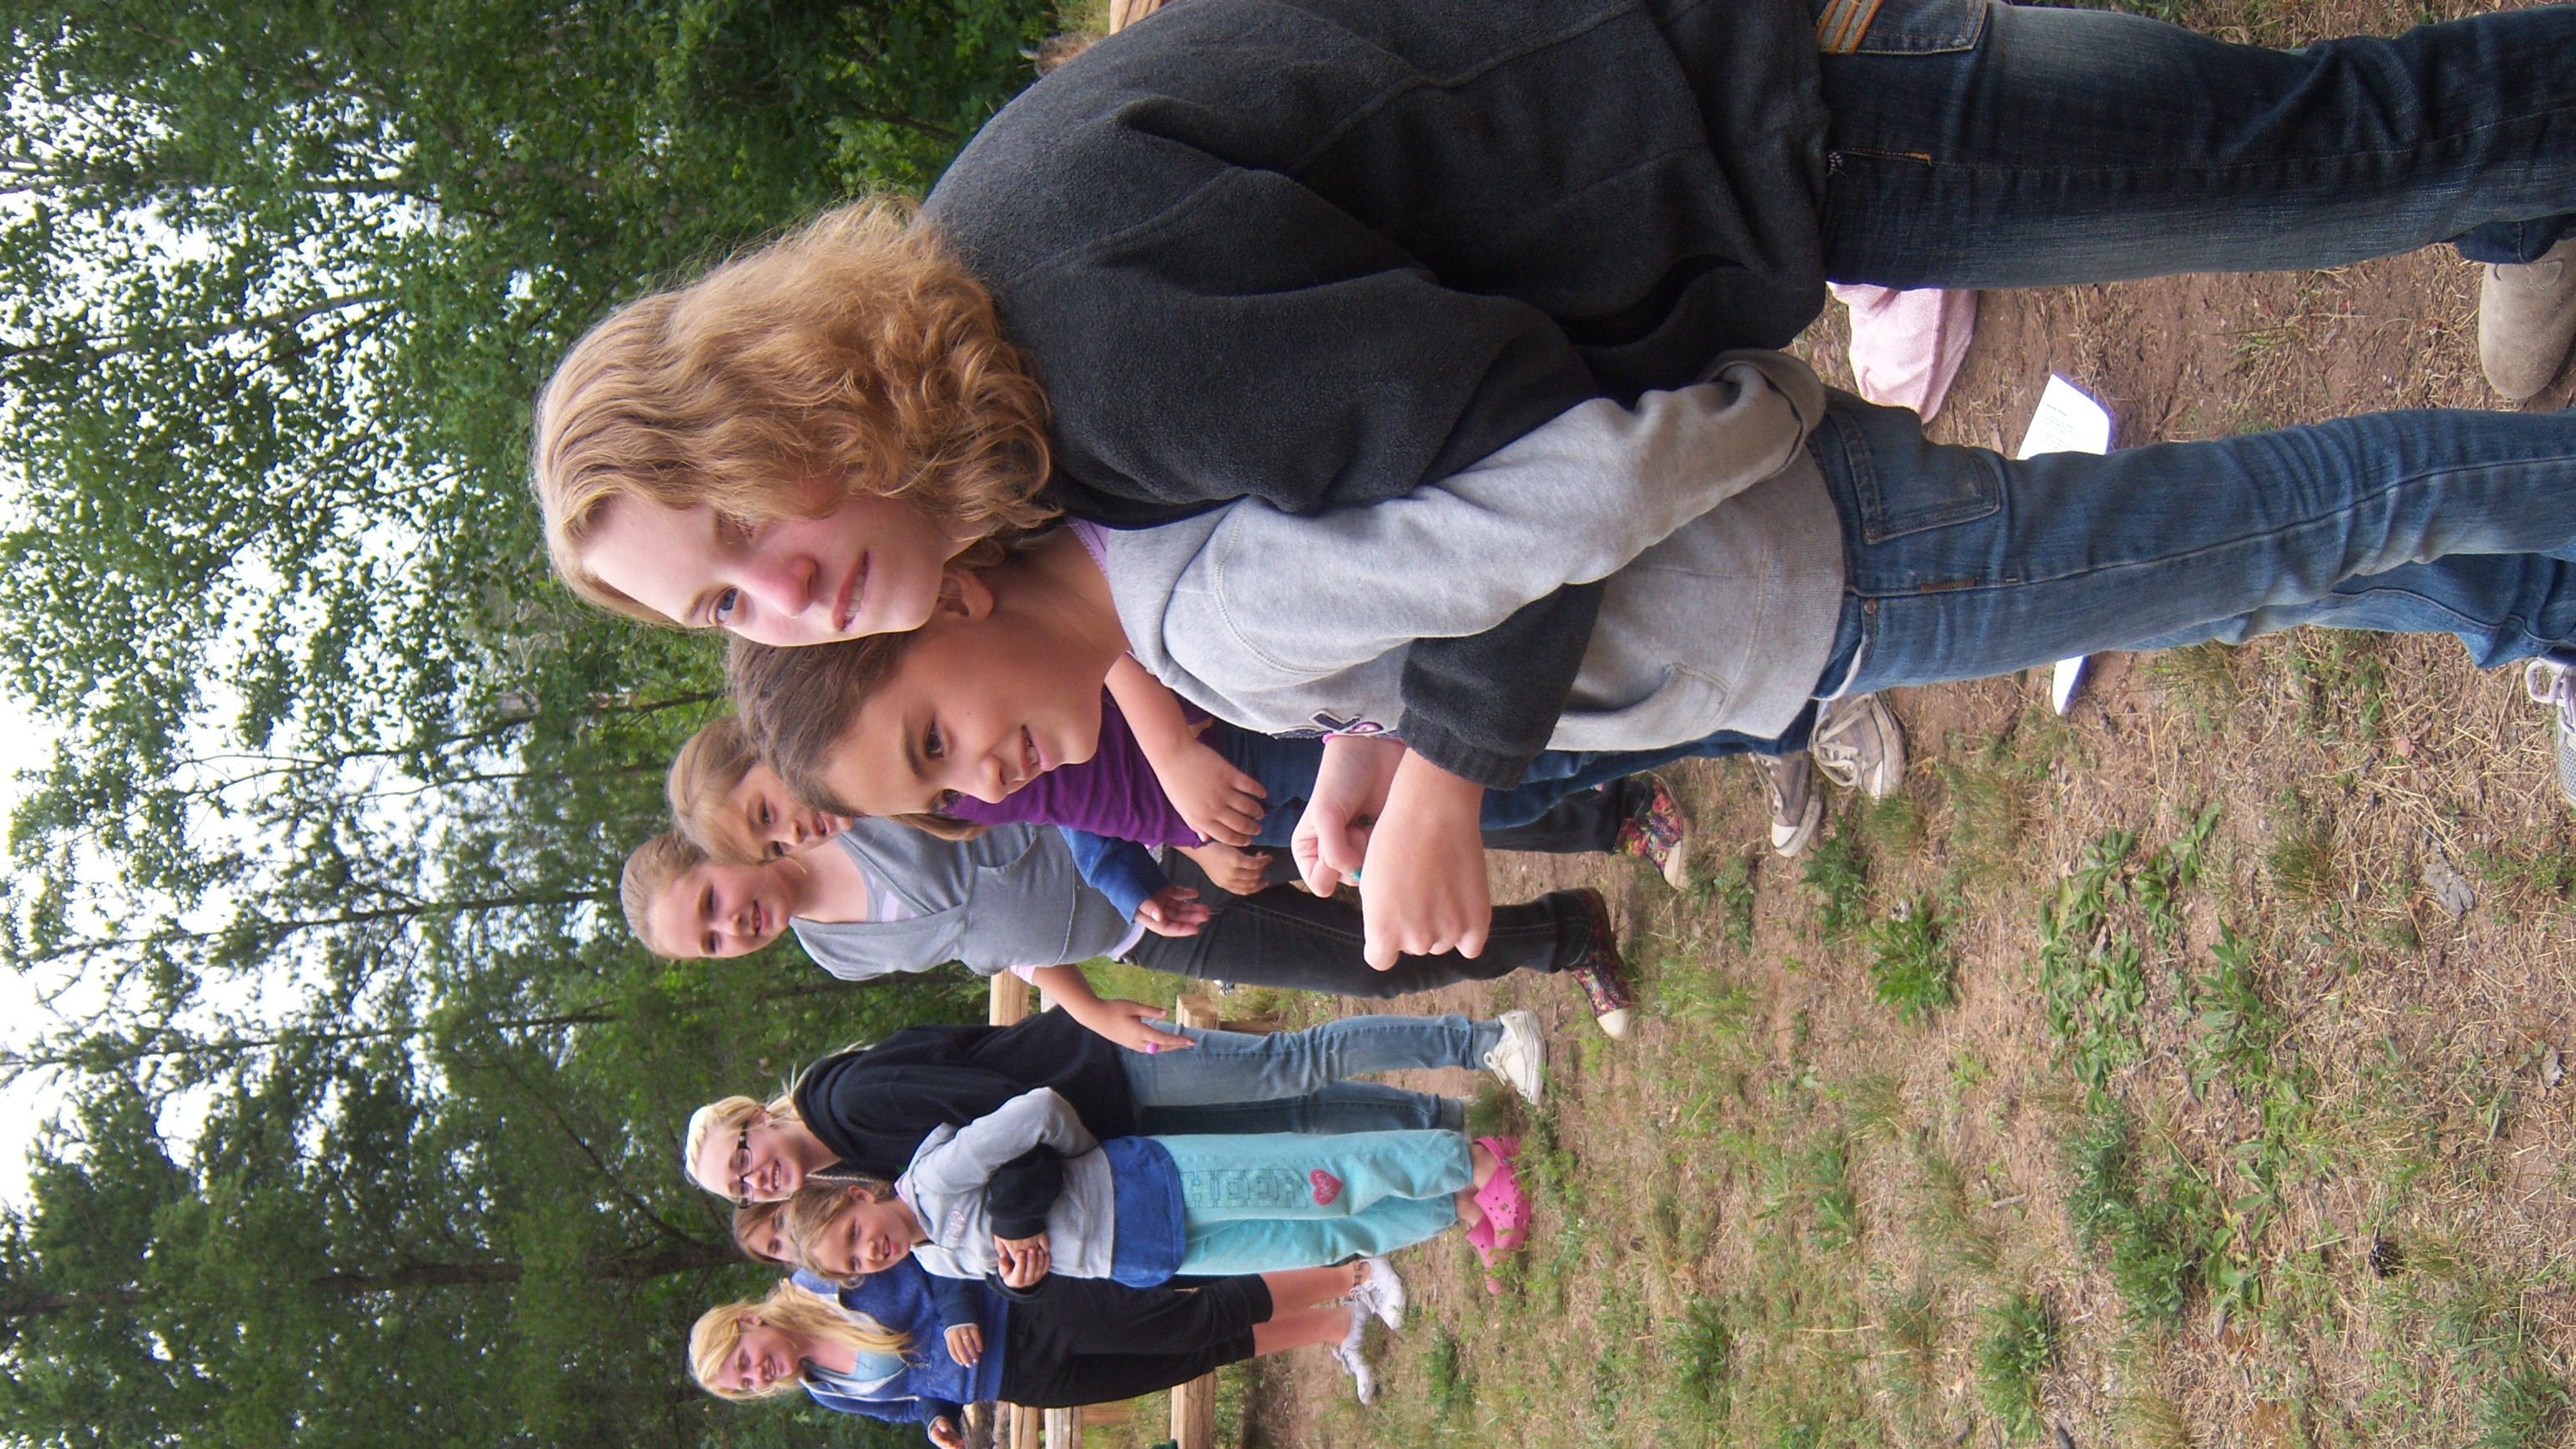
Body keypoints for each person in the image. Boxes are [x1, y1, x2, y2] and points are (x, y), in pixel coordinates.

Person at [534, 0, 2576, 954]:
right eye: (719, 607)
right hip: (1755, 224)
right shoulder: (1037, 424)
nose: (782, 599)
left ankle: (2508, 179)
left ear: (772, 405)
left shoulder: (1082, 347)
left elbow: (1525, 444)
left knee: (2332, 152)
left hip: (1783, 125)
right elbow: (1420, 503)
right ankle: (2518, 245)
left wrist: (1441, 775)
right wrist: (1380, 750)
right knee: (2332, 228)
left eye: (742, 538)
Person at [740, 351, 2576, 844]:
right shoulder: (1178, 620)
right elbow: (1424, 602)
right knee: (2237, 581)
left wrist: (1439, 785)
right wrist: (1373, 764)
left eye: (932, 741)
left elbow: (1539, 516)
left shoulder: (1198, 620)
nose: (990, 779)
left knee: (2269, 531)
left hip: (1811, 566)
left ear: (943, 605)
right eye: (947, 800)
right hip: (1795, 591)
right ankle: (2533, 615)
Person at [615, 816, 1639, 1032]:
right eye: (710, 943)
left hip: (1158, 832)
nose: (730, 926)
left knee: (1384, 830)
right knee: (1374, 965)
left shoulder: (838, 804)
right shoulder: (836, 952)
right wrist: (1090, 1005)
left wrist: (1167, 840)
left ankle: (1616, 810)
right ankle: (1567, 934)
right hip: (1149, 932)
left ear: (716, 849)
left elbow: (1028, 780)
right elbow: (1000, 945)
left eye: (709, 903)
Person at [667, 706, 1704, 894]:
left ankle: (1688, 733)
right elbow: (1063, 804)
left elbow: (1079, 630)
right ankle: (1662, 752)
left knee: (1468, 771)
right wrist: (1168, 852)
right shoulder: (910, 802)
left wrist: (1171, 755)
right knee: (1471, 813)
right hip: (1211, 812)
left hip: (1220, 745)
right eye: (773, 849)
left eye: (764, 814)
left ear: (762, 739)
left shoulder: (891, 715)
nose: (791, 834)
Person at [678, 1005, 1535, 1196]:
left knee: (1291, 1064)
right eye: (739, 1189)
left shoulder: (852, 1103)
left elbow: (996, 1104)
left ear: (755, 1117)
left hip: (1104, 1067)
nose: (754, 1178)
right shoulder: (854, 1156)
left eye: (740, 1156)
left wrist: (1021, 1195)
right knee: (1295, 1117)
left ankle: (1483, 1041)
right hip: (1113, 1122)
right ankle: (1451, 1125)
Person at [779, 1088, 1530, 1287]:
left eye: (854, 1237)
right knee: (1321, 1239)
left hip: (1155, 1184)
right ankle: (1452, 1207)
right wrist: (1024, 1285)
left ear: (858, 1198)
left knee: (1319, 1184)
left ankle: (1471, 1161)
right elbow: (1026, 1266)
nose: (870, 1254)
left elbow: (1037, 1113)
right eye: (855, 1266)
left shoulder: (936, 1179)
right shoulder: (936, 1260)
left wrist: (1091, 1160)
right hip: (1145, 1255)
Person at [681, 1254, 1401, 1430]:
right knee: (1187, 1356)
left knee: (1184, 1318)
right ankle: (1336, 1325)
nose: (758, 1374)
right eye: (745, 1385)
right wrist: (934, 1418)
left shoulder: (824, 1280)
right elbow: (907, 1403)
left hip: (1022, 1313)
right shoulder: (825, 1389)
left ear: (748, 1322)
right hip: (1018, 1382)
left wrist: (957, 1315)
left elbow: (925, 1252)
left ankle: (1355, 1274)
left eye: (743, 1362)